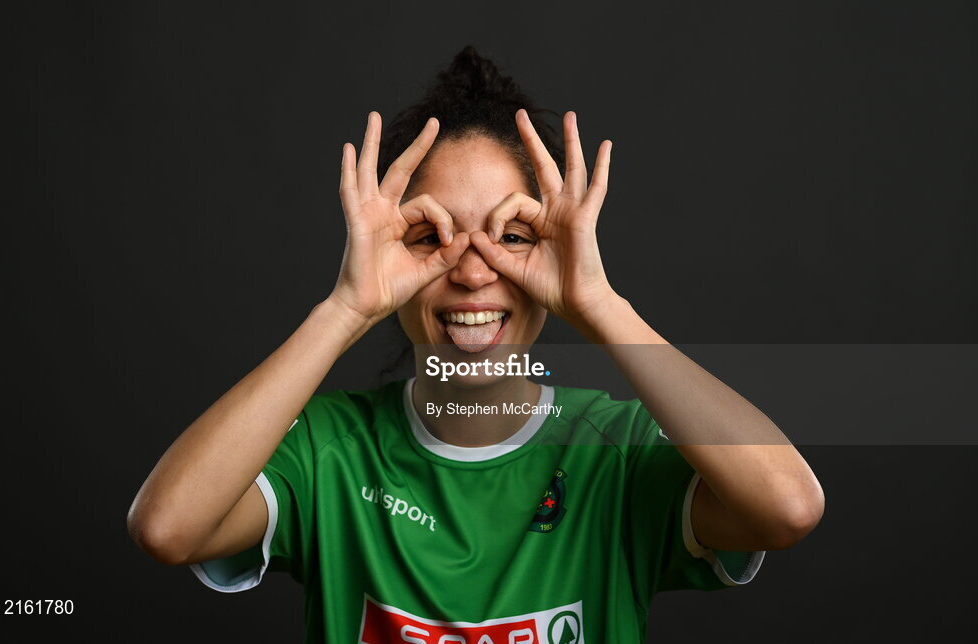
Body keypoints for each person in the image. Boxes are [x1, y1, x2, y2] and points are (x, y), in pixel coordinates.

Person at [127, 46, 824, 643]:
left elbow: (789, 506)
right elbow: (168, 528)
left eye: (511, 237)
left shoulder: (611, 453)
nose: (469, 271)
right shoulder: (330, 454)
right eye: (430, 238)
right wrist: (344, 310)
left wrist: (602, 307)